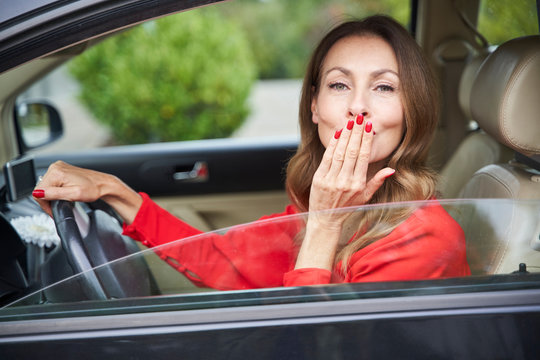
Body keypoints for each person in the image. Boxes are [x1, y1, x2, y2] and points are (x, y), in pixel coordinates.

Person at [33, 15, 470, 290]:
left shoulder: (424, 238)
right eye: (339, 84)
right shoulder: (323, 206)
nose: (358, 106)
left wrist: (323, 224)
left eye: (384, 87)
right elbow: (222, 258)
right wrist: (113, 191)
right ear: (315, 106)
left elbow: (314, 343)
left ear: (412, 110)